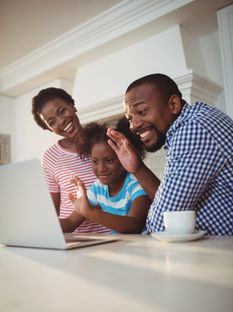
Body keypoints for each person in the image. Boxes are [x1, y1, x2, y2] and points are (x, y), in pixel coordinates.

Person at [107, 73, 233, 235]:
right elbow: (171, 208)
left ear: (173, 104)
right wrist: (137, 167)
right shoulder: (194, 121)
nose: (133, 126)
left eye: (142, 111)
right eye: (130, 118)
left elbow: (161, 225)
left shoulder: (193, 130)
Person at [31, 87, 110, 234]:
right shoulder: (50, 158)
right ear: (49, 129)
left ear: (72, 105)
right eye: (52, 122)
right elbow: (52, 211)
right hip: (77, 239)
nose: (61, 121)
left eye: (62, 111)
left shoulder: (103, 142)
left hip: (113, 235)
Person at [60, 121, 151, 234]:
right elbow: (70, 222)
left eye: (109, 160)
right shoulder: (99, 188)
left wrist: (89, 212)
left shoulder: (136, 184)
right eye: (95, 161)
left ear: (124, 157)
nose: (101, 168)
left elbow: (135, 225)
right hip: (120, 246)